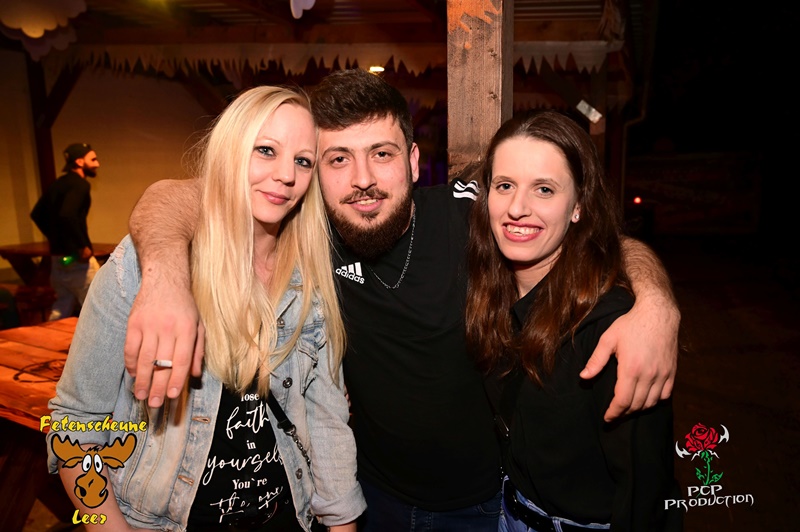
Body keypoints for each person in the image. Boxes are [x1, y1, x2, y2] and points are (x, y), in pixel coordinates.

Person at [122, 69, 680, 531]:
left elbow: (594, 237)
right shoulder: (307, 236)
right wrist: (164, 279)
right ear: (315, 172)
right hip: (372, 499)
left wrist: (655, 302)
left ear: (412, 161)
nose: (362, 179)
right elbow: (176, 197)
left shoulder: (473, 216)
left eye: (381, 154)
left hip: (485, 506)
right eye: (338, 159)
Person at [45, 86, 365, 531]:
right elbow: (75, 426)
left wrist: (343, 524)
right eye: (266, 150)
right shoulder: (146, 265)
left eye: (303, 161)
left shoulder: (309, 277)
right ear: (230, 151)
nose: (285, 175)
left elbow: (327, 422)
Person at [466, 110, 681, 531]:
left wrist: (658, 300)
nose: (517, 208)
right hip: (507, 515)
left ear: (578, 206)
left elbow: (647, 498)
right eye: (505, 185)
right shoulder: (490, 289)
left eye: (544, 189)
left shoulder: (612, 328)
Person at [31, 142, 101, 320]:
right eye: (93, 159)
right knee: (97, 307)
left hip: (59, 258)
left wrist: (56, 239)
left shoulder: (58, 184)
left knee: (61, 307)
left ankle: (49, 336)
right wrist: (81, 246)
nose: (97, 164)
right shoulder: (80, 185)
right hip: (77, 260)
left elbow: (37, 214)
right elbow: (68, 214)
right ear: (79, 162)